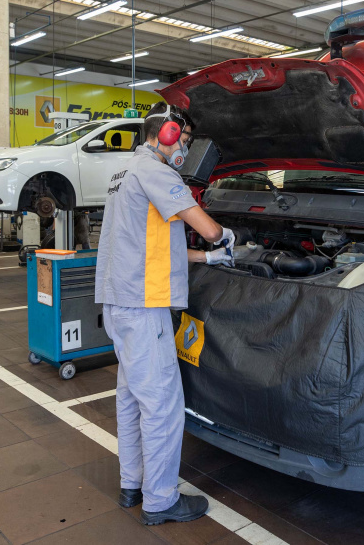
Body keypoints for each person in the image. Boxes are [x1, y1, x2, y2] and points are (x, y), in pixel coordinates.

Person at [95, 101, 234, 526]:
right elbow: (209, 230)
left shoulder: (124, 172)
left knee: (132, 397)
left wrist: (210, 262)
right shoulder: (157, 172)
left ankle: (132, 484)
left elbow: (155, 242)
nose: (186, 151)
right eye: (186, 141)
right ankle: (160, 500)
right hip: (142, 306)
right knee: (162, 404)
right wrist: (228, 237)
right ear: (169, 134)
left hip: (119, 302)